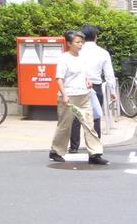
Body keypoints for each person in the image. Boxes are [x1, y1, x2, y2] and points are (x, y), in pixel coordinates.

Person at [49, 30, 108, 164]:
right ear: (69, 43)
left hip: (84, 96)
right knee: (65, 126)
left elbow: (84, 73)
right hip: (69, 98)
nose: (80, 44)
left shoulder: (82, 57)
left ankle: (95, 154)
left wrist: (88, 80)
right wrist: (64, 95)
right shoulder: (64, 59)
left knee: (89, 124)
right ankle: (56, 151)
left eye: (82, 42)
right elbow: (59, 78)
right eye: (77, 42)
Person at [69, 24, 116, 153]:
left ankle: (74, 146)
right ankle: (95, 146)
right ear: (96, 37)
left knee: (76, 116)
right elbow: (109, 74)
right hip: (96, 87)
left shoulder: (77, 52)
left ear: (83, 37)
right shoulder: (103, 53)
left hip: (78, 87)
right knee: (95, 117)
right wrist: (113, 92)